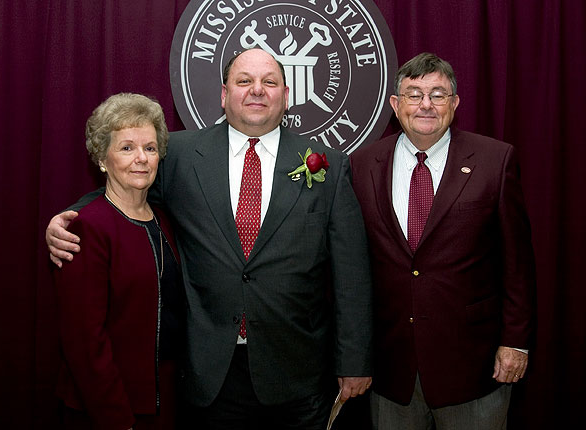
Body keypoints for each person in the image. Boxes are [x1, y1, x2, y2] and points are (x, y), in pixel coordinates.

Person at [47, 48, 372, 429]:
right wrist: (73, 218)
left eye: (269, 82)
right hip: (206, 374)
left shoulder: (328, 165)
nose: (257, 91)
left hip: (298, 376)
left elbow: (351, 274)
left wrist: (354, 361)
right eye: (244, 81)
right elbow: (127, 189)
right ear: (223, 94)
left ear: (287, 95)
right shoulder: (180, 155)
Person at [350, 52, 536, 429]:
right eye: (414, 94)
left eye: (438, 94)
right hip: (391, 368)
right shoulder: (361, 165)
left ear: (454, 103)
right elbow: (352, 268)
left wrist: (515, 341)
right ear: (394, 104)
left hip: (475, 365)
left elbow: (517, 263)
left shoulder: (494, 160)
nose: (426, 105)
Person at [53, 93, 184, 430]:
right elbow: (84, 342)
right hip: (109, 408)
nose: (141, 158)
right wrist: (116, 418)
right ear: (101, 158)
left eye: (150, 148)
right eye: (127, 148)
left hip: (163, 402)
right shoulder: (85, 227)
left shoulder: (164, 219)